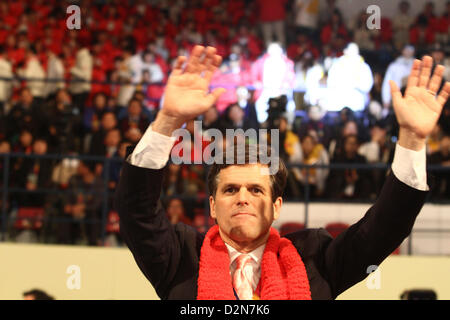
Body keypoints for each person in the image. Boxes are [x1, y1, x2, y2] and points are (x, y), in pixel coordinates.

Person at [115, 45, 450, 300]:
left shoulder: (316, 258)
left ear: (276, 206)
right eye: (230, 190)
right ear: (213, 206)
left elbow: (384, 230)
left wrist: (411, 139)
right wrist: (168, 121)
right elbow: (137, 211)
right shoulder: (178, 256)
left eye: (256, 190)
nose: (243, 197)